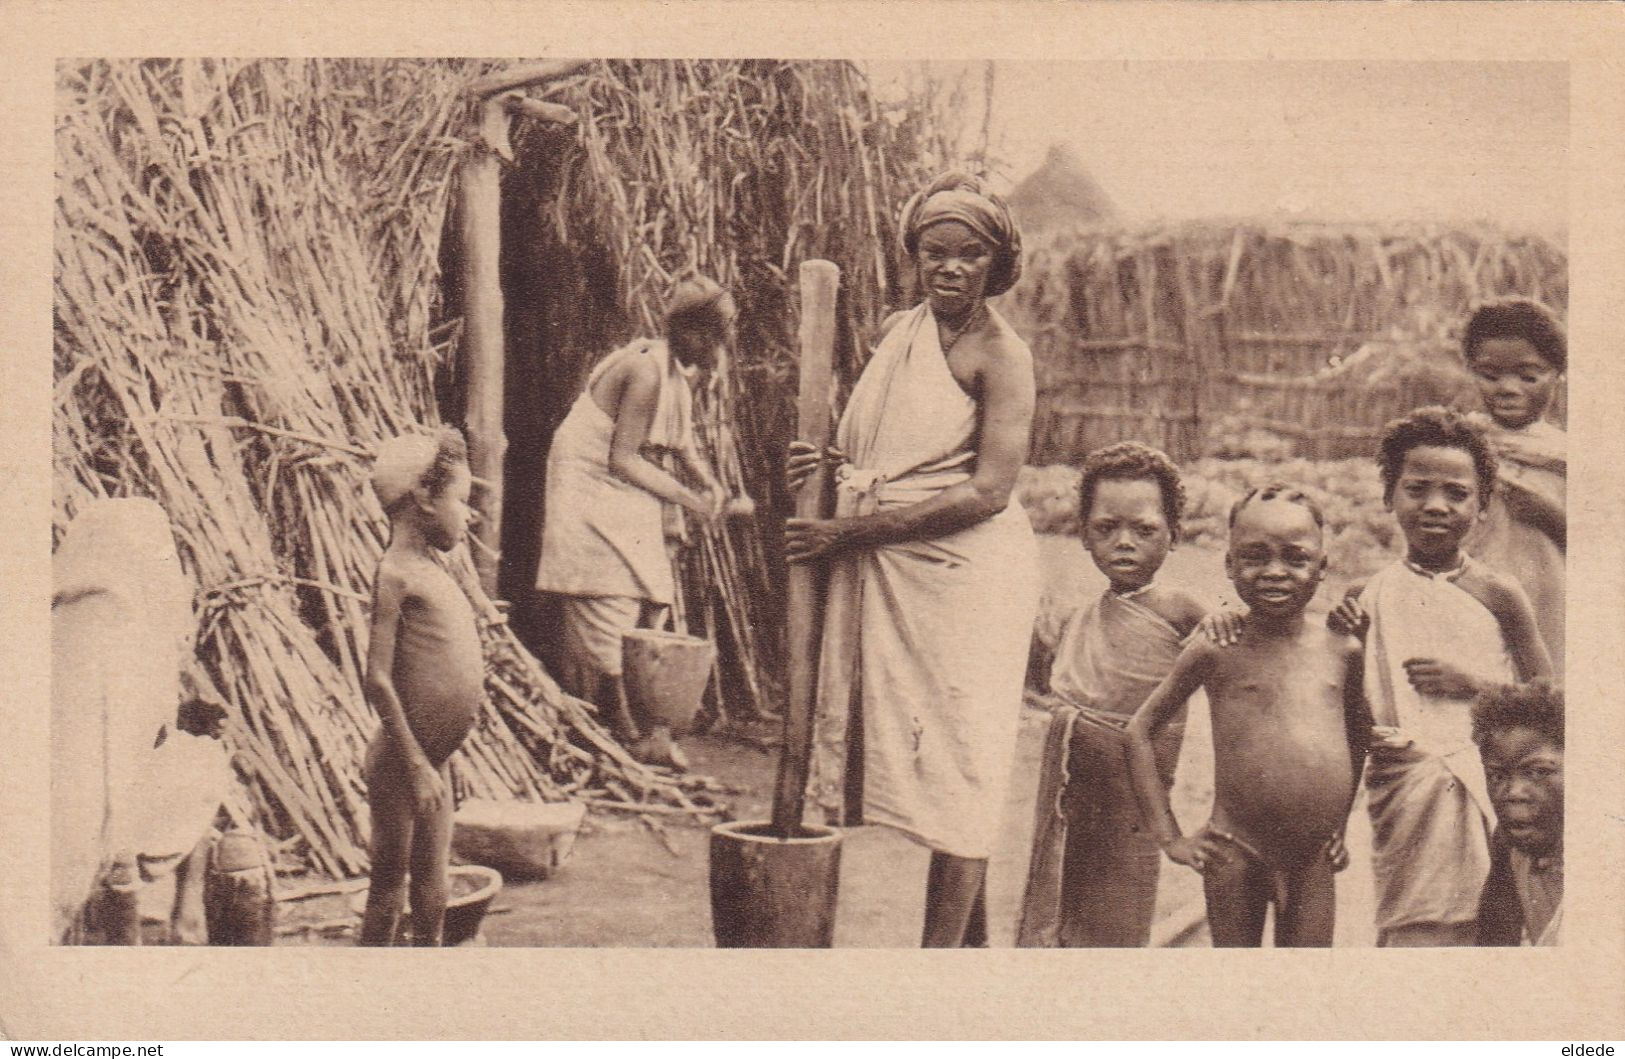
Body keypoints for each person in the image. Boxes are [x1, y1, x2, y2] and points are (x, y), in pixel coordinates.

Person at [785, 171, 1038, 947]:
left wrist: (845, 534)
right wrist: (823, 466)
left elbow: (988, 491)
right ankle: (971, 950)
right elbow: (889, 451)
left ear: (995, 263)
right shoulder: (904, 332)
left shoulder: (1002, 354)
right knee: (943, 762)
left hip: (966, 578)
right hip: (894, 558)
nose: (949, 268)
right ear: (914, 255)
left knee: (963, 757)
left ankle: (934, 964)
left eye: (968, 255)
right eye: (934, 252)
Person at [1331, 406, 1553, 946]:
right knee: (1412, 934)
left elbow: (1547, 697)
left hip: (1486, 785)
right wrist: (1336, 822)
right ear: (1389, 496)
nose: (1435, 506)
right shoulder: (1368, 596)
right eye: (1416, 489)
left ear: (1481, 507)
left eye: (1456, 493)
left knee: (1490, 924)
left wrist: (1474, 685)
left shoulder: (1500, 593)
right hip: (1402, 791)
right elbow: (1355, 720)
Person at [1126, 484, 1366, 947]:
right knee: (1236, 984)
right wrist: (1171, 837)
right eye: (1255, 556)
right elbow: (1138, 731)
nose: (1275, 572)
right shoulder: (1217, 647)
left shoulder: (1343, 649)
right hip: (1233, 851)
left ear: (1322, 567)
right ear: (1230, 565)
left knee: (1308, 989)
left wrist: (1338, 823)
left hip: (1312, 857)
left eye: (1294, 558)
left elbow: (1359, 734)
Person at [535, 277, 732, 769]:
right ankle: (608, 728)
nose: (715, 349)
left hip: (621, 488)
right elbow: (624, 459)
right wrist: (689, 499)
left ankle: (642, 728)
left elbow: (682, 444)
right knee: (606, 596)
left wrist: (711, 485)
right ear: (684, 331)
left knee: (651, 588)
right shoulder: (644, 372)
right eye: (708, 336)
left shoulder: (675, 375)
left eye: (720, 338)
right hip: (588, 484)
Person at [1016, 442, 1206, 948]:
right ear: (1082, 534)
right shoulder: (1082, 613)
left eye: (1144, 531)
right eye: (1106, 528)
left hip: (1134, 776)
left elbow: (1239, 651)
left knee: (1120, 897)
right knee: (1059, 885)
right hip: (1070, 768)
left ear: (1174, 536)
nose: (1125, 543)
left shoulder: (1182, 608)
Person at [358, 427, 482, 946]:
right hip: (403, 766)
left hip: (433, 760)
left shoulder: (435, 570)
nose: (469, 514)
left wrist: (444, 755)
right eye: (461, 499)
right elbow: (378, 679)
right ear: (424, 500)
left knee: (434, 883)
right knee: (390, 881)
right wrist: (414, 763)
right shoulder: (395, 574)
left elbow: (441, 669)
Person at [1460, 297, 1566, 675]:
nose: (1507, 388)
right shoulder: (1460, 445)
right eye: (1490, 375)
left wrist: (1551, 516)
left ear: (1557, 374)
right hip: (1475, 593)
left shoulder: (1568, 457)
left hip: (1550, 597)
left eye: (1527, 376)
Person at [1472, 680, 1564, 946]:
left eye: (1537, 772)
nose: (1513, 792)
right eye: (1496, 775)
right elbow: (1495, 949)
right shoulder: (1508, 845)